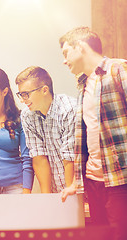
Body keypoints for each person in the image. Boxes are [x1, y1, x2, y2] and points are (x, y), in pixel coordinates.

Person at [59, 26, 127, 240]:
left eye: (65, 53)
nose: (64, 61)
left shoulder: (118, 70)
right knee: (100, 236)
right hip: (93, 181)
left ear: (80, 47)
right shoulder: (83, 84)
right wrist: (75, 183)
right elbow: (85, 139)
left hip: (120, 180)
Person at [15, 66, 77, 193]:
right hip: (55, 189)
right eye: (20, 95)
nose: (22, 100)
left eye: (26, 94)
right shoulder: (27, 115)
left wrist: (69, 193)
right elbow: (38, 157)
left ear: (44, 90)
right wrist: (47, 197)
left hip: (79, 187)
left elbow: (70, 157)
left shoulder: (69, 109)